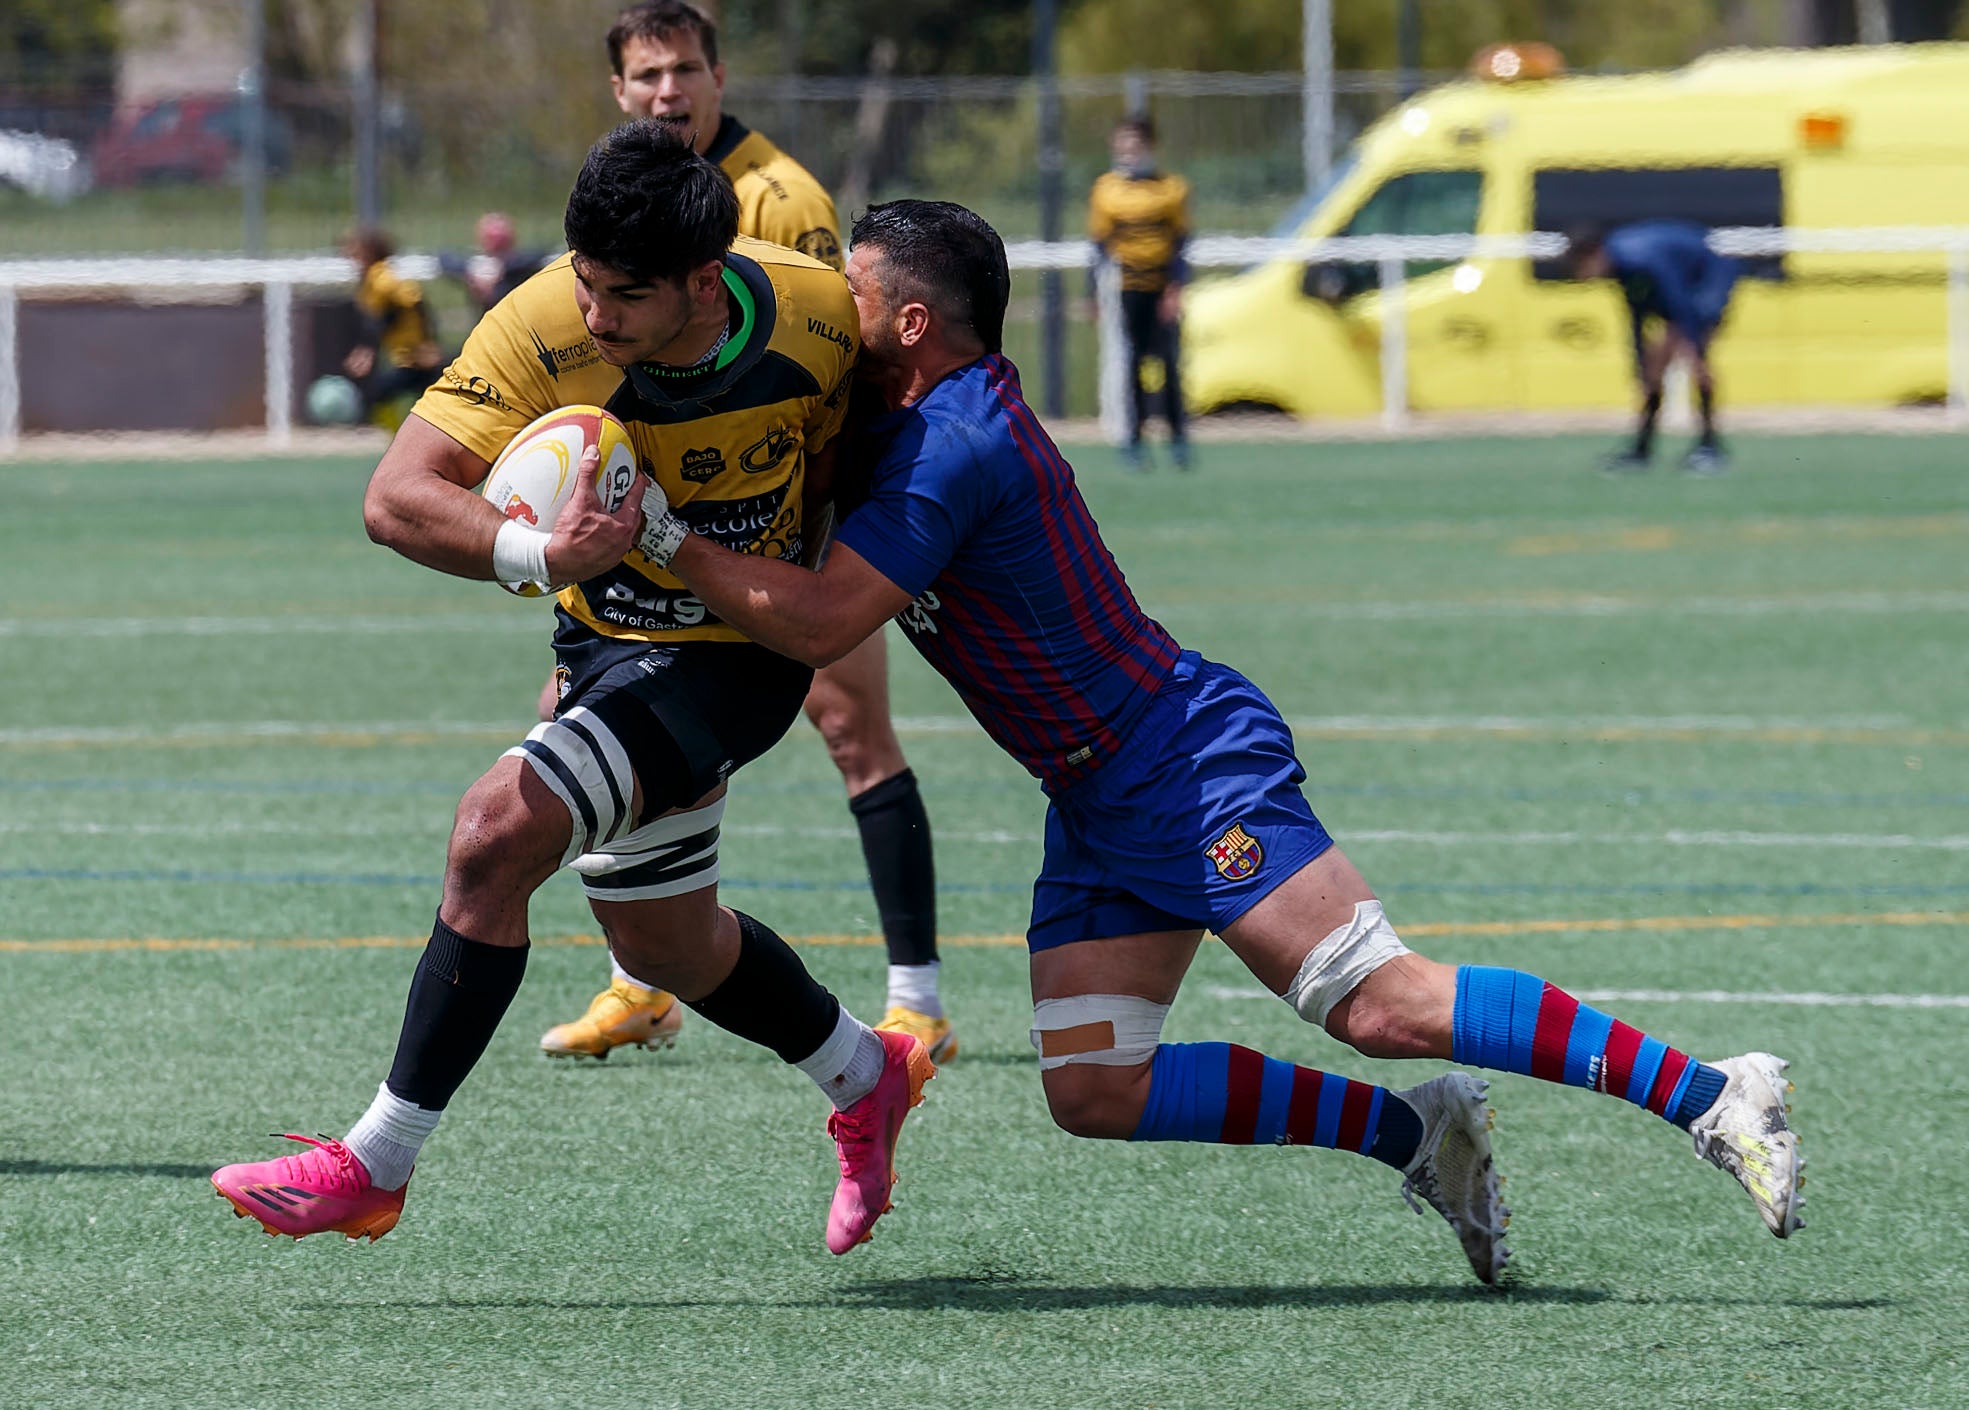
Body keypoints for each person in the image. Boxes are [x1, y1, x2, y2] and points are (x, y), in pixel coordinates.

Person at [644, 199, 1806, 1284]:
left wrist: (654, 538)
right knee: (1094, 1089)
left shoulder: (952, 442)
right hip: (1094, 791)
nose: (822, 315)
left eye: (845, 294)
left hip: (1179, 756)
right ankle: (1416, 1134)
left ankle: (1711, 1094)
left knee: (1381, 1005)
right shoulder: (891, 422)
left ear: (909, 323)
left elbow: (822, 623)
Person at [210, 121, 932, 1259]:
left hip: (742, 659)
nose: (595, 314)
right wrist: (540, 555)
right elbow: (396, 497)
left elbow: (882, 449)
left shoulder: (816, 313)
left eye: (626, 295)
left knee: (493, 834)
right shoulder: (540, 323)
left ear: (706, 281)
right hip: (601, 648)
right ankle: (864, 1071)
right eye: (586, 281)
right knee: (664, 943)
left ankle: (375, 1164)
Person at [533, 0, 948, 1063]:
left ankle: (917, 1001)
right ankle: (641, 983)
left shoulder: (781, 198)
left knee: (853, 732)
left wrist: (819, 544)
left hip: (790, 530)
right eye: (646, 75)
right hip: (664, 530)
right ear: (619, 90)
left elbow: (833, 367)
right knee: (584, 712)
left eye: (683, 69)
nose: (666, 90)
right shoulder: (621, 189)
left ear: (717, 78)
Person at [1566, 220, 1741, 474]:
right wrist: (1640, 362)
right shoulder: (1620, 266)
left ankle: (1710, 447)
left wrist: (1694, 349)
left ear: (1593, 254)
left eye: (1580, 267)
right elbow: (1636, 315)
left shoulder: (1639, 259)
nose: (1582, 276)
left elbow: (1678, 302)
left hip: (1708, 278)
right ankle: (1642, 451)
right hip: (1681, 289)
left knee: (1695, 365)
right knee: (1653, 370)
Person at [1087, 116, 1191, 472]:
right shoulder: (1106, 190)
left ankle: (1178, 440)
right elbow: (1098, 245)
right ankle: (1133, 440)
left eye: (1135, 144)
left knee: (1168, 363)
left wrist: (1175, 288)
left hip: (1161, 286)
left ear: (1149, 146)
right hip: (1127, 287)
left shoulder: (1171, 188)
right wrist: (1093, 293)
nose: (1128, 150)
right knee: (1129, 364)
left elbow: (1180, 243)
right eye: (1123, 143)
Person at [340, 227, 445, 417]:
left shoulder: (381, 279)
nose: (349, 256)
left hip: (414, 357)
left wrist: (428, 343)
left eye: (355, 250)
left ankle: (399, 433)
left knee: (373, 396)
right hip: (407, 356)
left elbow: (406, 308)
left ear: (369, 252)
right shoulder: (373, 279)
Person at [438, 211, 553, 316]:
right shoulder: (476, 264)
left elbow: (539, 256)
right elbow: (445, 259)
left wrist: (500, 268)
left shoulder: (521, 264)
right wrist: (474, 271)